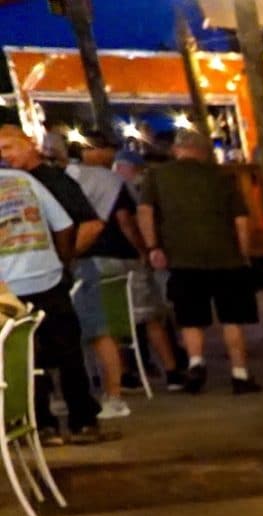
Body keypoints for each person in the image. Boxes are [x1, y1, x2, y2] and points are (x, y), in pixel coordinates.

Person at [0, 131, 106, 443]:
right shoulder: (27, 182)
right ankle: (83, 421)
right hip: (47, 277)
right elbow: (64, 225)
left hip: (7, 287)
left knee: (23, 355)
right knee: (68, 350)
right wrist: (59, 261)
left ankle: (39, 424)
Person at [137, 133, 259, 394]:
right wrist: (244, 253)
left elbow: (145, 212)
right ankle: (239, 373)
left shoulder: (158, 176)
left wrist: (153, 246)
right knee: (232, 318)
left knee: (190, 316)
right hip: (227, 257)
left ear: (177, 149)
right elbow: (241, 220)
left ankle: (196, 363)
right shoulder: (222, 177)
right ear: (204, 152)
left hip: (181, 257)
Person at [67, 139, 160, 418]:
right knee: (124, 321)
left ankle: (116, 388)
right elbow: (124, 220)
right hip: (114, 259)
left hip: (90, 262)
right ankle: (134, 376)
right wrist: (142, 249)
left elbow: (121, 220)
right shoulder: (111, 182)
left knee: (99, 328)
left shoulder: (84, 183)